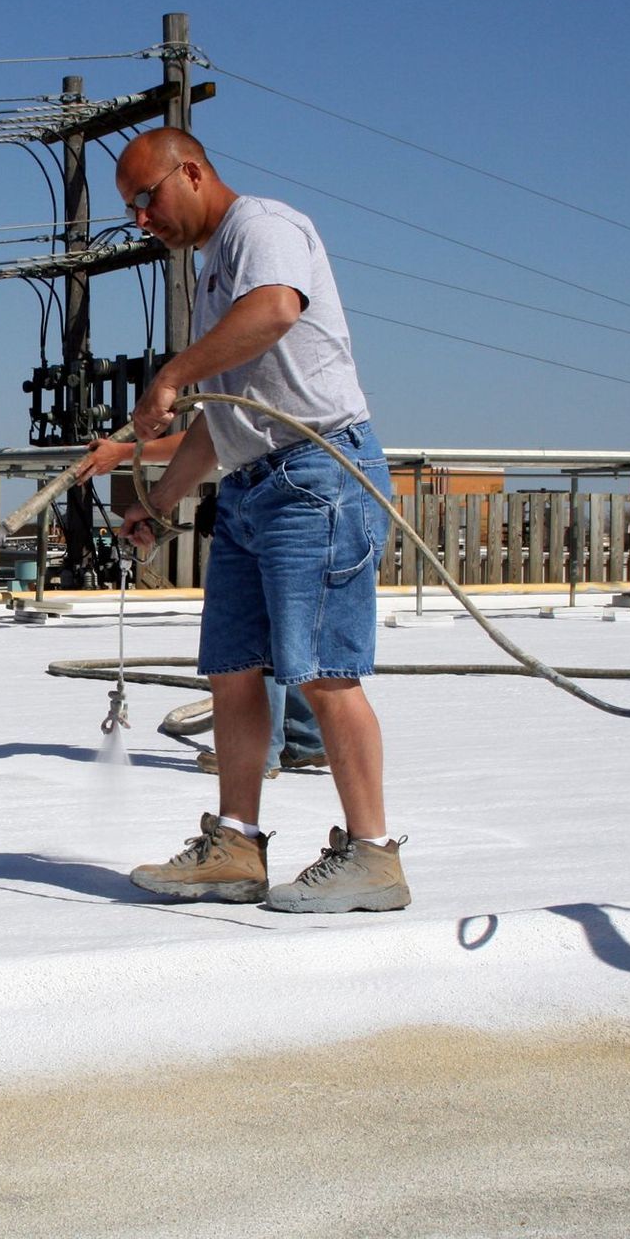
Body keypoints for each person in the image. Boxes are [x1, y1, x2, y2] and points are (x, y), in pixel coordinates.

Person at [108, 127, 408, 913]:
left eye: (148, 198)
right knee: (234, 668)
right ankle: (235, 847)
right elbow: (219, 422)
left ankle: (373, 855)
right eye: (131, 210)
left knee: (324, 673)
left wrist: (172, 372)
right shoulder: (214, 280)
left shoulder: (262, 229)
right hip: (251, 487)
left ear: (194, 172)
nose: (143, 220)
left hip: (317, 476)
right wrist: (157, 503)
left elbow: (278, 309)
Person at [77, 437, 327, 779]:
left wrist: (126, 453)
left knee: (252, 630)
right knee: (284, 621)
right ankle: (304, 738)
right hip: (307, 491)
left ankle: (256, 753)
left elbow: (209, 432)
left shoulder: (230, 384)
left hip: (275, 494)